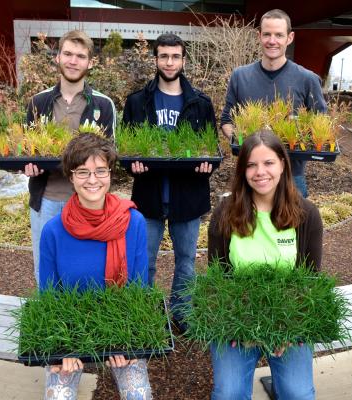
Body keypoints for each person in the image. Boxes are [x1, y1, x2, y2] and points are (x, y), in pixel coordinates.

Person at [208, 130, 323, 400]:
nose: (260, 172)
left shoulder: (307, 214)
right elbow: (217, 279)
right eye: (251, 165)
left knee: (298, 394)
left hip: (289, 318)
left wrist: (287, 327)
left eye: (268, 163)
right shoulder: (225, 213)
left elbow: (309, 282)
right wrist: (233, 323)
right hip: (237, 316)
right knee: (228, 394)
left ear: (283, 165)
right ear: (243, 170)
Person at [39, 133, 152, 400]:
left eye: (100, 171)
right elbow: (49, 296)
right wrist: (61, 350)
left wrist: (126, 343)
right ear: (71, 177)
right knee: (58, 398)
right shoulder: (53, 231)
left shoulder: (132, 222)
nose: (92, 180)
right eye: (83, 172)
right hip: (70, 328)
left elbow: (138, 289)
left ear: (110, 173)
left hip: (122, 324)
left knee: (139, 396)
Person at [122, 33, 217, 329]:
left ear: (183, 60)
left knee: (186, 260)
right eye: (164, 56)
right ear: (155, 59)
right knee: (145, 261)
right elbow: (125, 150)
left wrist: (206, 167)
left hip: (187, 196)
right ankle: (146, 313)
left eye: (175, 56)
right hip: (148, 195)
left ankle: (182, 312)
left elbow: (211, 151)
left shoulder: (200, 103)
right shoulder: (137, 102)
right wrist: (132, 165)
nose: (169, 62)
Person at [25, 30, 116, 284]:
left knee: (85, 271)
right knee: (46, 271)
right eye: (67, 54)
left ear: (90, 62)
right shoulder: (38, 102)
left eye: (80, 56)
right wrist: (29, 165)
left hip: (88, 202)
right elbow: (27, 147)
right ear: (58, 58)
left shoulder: (103, 104)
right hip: (46, 201)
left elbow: (110, 155)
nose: (73, 61)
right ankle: (49, 323)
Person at [221, 8, 327, 197]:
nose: (272, 41)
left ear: (290, 37)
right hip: (251, 175)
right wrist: (242, 141)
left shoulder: (307, 79)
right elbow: (226, 121)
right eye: (267, 34)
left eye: (279, 35)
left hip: (291, 177)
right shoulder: (240, 76)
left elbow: (322, 125)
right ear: (259, 36)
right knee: (247, 227)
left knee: (292, 227)